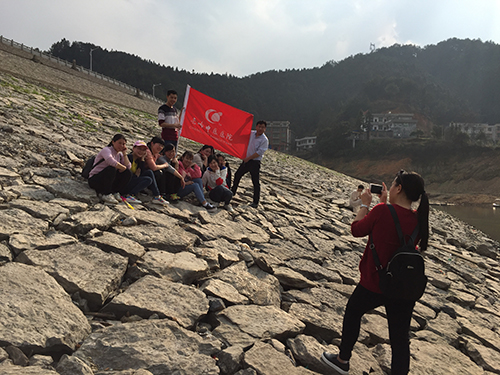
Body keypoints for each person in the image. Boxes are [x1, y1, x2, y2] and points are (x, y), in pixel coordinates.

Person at [321, 170, 429, 375]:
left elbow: (356, 229)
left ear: (398, 188)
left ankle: (343, 360)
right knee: (400, 338)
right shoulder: (419, 218)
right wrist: (385, 202)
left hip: (375, 281)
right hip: (404, 285)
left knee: (353, 312)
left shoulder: (381, 211)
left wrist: (364, 205)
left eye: (394, 183)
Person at [231, 120, 268, 208]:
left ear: (265, 129)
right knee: (237, 175)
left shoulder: (264, 140)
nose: (260, 128)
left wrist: (248, 158)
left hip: (254, 162)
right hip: (246, 160)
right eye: (259, 126)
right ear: (256, 126)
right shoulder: (251, 133)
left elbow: (259, 152)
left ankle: (255, 202)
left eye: (262, 127)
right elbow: (240, 135)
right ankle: (232, 193)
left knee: (255, 182)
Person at [88, 134, 132, 204]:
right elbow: (110, 161)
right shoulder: (106, 150)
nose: (121, 146)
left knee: (128, 172)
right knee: (111, 169)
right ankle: (106, 194)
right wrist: (123, 167)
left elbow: (129, 166)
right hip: (95, 179)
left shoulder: (119, 155)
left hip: (107, 181)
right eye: (119, 143)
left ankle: (115, 192)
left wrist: (124, 153)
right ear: (113, 142)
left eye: (123, 144)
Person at [124, 141, 169, 205]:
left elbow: (141, 171)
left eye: (143, 150)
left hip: (132, 180)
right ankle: (129, 195)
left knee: (149, 172)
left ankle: (156, 196)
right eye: (139, 149)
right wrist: (136, 176)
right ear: (134, 148)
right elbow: (127, 174)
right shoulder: (129, 158)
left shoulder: (138, 160)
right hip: (125, 183)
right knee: (148, 179)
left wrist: (142, 159)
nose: (141, 151)